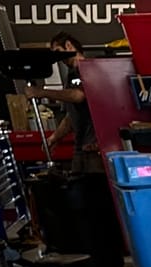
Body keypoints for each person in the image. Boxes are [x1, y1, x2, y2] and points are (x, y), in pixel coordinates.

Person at [22, 34, 100, 173]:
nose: (58, 58)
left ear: (69, 45)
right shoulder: (70, 76)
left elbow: (78, 96)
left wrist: (42, 92)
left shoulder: (88, 69)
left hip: (94, 148)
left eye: (58, 51)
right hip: (80, 147)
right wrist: (54, 138)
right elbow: (71, 116)